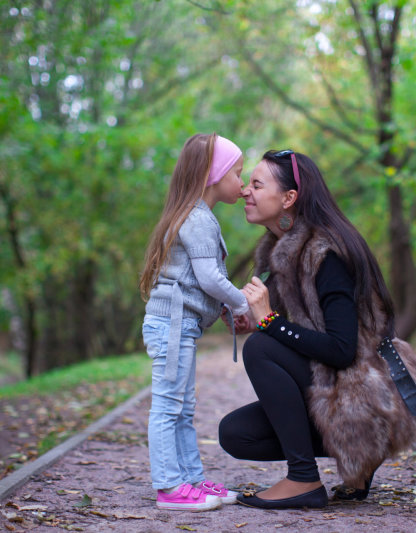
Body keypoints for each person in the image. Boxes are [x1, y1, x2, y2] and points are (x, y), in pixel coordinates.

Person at [218, 149, 416, 509]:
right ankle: (359, 459)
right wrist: (255, 320)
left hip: (366, 397)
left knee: (260, 348)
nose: (245, 191)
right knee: (236, 434)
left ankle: (303, 479)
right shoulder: (279, 251)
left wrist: (270, 323)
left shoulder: (326, 253)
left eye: (257, 184)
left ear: (289, 198)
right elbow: (296, 331)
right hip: (333, 384)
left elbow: (341, 349)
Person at [139, 133, 250, 511]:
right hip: (171, 325)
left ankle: (191, 480)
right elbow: (210, 280)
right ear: (214, 175)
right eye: (238, 172)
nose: (243, 182)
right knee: (169, 406)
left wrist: (220, 309)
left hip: (179, 325)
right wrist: (242, 304)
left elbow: (198, 281)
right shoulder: (198, 219)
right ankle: (170, 488)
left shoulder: (198, 216)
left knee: (182, 408)